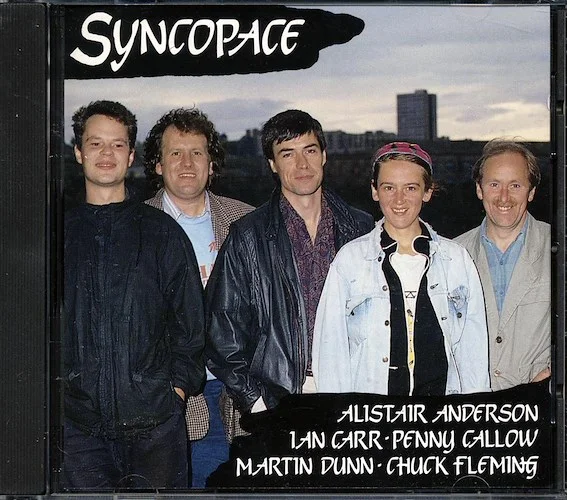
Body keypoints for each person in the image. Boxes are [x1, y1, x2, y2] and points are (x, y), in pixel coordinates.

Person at [63, 100, 205, 490]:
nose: (106, 153)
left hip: (156, 430)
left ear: (130, 156)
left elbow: (191, 328)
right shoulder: (57, 235)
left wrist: (175, 392)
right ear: (78, 153)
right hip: (79, 434)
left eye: (118, 144)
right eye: (95, 143)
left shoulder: (163, 233)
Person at [205, 109, 374, 414]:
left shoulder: (362, 228)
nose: (302, 164)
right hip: (280, 402)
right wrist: (257, 402)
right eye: (287, 154)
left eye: (309, 150)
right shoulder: (248, 236)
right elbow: (221, 331)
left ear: (324, 155)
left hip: (353, 395)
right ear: (272, 163)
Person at [313, 142, 491, 395]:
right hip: (372, 413)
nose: (399, 199)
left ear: (427, 192)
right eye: (389, 187)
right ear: (375, 190)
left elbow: (473, 350)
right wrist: (338, 414)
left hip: (440, 413)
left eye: (410, 188)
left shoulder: (456, 260)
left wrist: (475, 411)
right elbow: (330, 351)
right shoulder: (350, 261)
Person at [144, 107, 254, 487]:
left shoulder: (245, 221)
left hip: (240, 400)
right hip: (170, 404)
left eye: (197, 152)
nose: (187, 163)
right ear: (158, 164)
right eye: (175, 153)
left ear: (212, 163)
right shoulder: (137, 226)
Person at [455, 139, 550, 391]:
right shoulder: (451, 254)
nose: (504, 197)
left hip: (540, 404)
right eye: (494, 184)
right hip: (471, 407)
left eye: (515, 185)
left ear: (531, 192)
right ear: (479, 189)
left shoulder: (557, 247)